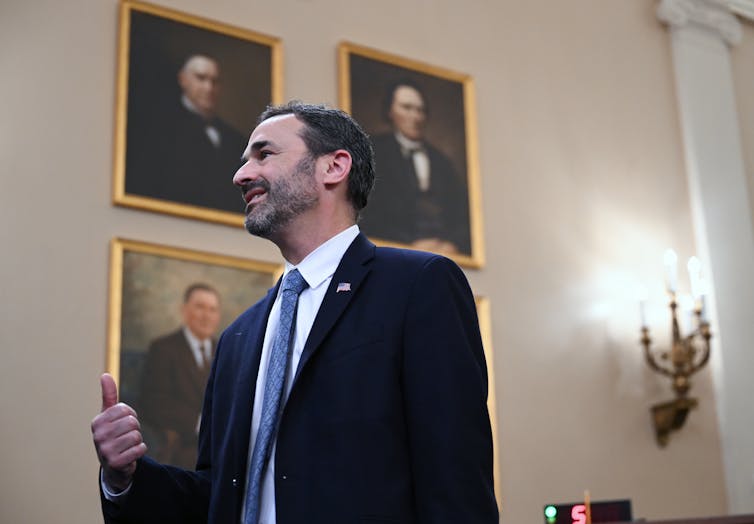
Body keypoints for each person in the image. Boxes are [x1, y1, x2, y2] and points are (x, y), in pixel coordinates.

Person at [92, 102, 498, 523]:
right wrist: (127, 478)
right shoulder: (237, 337)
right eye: (244, 160)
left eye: (263, 154)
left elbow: (456, 480)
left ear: (334, 167)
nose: (241, 175)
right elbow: (219, 497)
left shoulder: (418, 286)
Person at [359, 81, 472, 255]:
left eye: (420, 110)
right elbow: (366, 211)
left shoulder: (441, 161)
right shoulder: (373, 151)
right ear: (390, 112)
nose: (416, 116)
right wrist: (407, 244)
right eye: (407, 108)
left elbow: (461, 215)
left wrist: (451, 245)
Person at [125, 54, 247, 213]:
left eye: (215, 81)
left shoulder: (234, 139)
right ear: (183, 80)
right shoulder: (158, 128)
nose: (209, 88)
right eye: (201, 78)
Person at [137, 283, 221, 470]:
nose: (206, 316)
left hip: (222, 446)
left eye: (213, 309)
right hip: (181, 447)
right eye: (200, 307)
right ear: (184, 310)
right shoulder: (163, 349)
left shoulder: (226, 350)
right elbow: (152, 402)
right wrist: (200, 423)